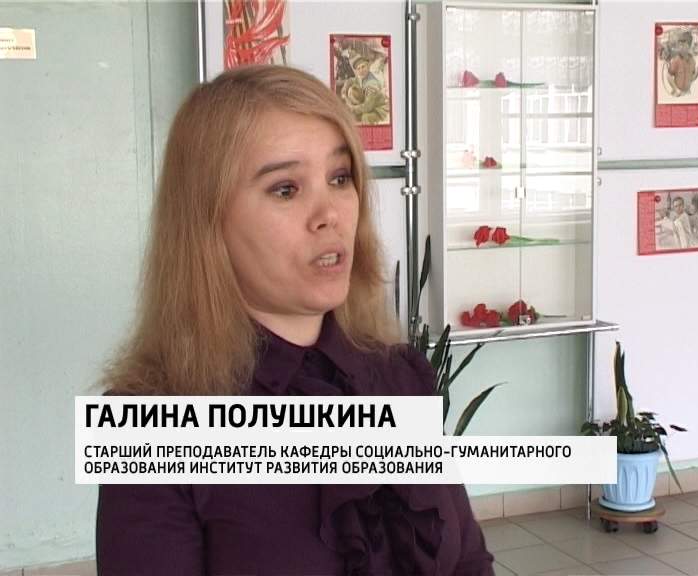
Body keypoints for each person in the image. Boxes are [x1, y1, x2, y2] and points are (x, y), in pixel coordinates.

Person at [95, 65, 494, 575]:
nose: (330, 214)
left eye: (340, 178)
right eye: (286, 189)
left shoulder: (400, 376)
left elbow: (467, 560)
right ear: (208, 222)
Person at [341, 56, 390, 125]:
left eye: (363, 67)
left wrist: (351, 108)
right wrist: (344, 89)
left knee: (365, 117)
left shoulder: (372, 84)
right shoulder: (363, 77)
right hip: (370, 106)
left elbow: (367, 107)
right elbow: (351, 80)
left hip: (379, 109)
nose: (361, 70)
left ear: (368, 67)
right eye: (358, 68)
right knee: (352, 116)